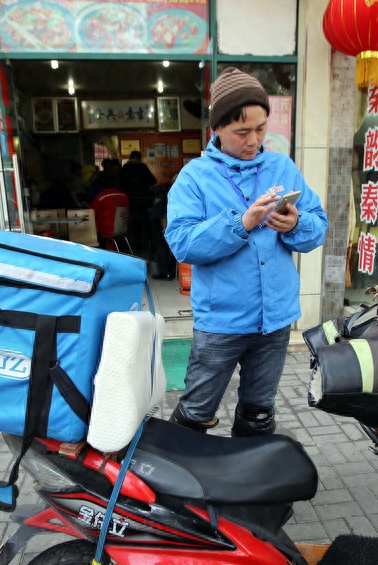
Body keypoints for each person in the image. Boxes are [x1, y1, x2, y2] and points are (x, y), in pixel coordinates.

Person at [165, 67, 328, 437]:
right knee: (195, 411)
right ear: (217, 129)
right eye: (242, 132)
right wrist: (241, 224)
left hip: (276, 318)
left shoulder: (281, 167)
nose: (254, 140)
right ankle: (180, 482)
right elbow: (182, 242)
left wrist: (296, 225)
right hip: (222, 321)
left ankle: (247, 484)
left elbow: (317, 224)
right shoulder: (195, 177)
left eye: (261, 128)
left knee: (258, 410)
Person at [118, 150, 157, 249]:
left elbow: (119, 185)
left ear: (130, 157)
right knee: (148, 223)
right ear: (139, 158)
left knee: (134, 224)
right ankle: (151, 246)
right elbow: (153, 180)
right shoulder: (143, 167)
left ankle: (136, 246)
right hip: (144, 200)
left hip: (130, 200)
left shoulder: (125, 168)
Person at [89, 172, 129, 250]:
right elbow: (128, 213)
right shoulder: (124, 195)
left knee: (91, 222)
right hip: (122, 228)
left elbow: (91, 212)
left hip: (106, 229)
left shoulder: (101, 197)